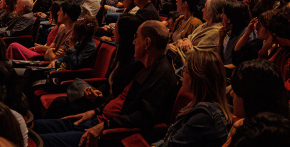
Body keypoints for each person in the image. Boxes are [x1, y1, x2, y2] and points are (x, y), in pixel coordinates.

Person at [33, 20, 179, 147]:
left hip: (106, 132)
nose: (134, 42)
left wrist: (105, 125)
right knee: (34, 126)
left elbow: (144, 118)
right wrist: (95, 111)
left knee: (37, 141)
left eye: (137, 38)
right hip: (97, 119)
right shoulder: (143, 66)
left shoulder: (162, 75)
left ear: (147, 43)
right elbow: (119, 99)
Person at [160, 49, 232, 147]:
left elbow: (172, 145)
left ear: (197, 78)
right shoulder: (201, 105)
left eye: (186, 71)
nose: (183, 74)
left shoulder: (204, 116)